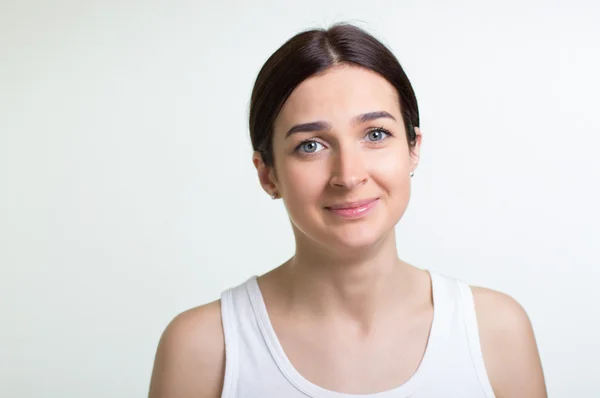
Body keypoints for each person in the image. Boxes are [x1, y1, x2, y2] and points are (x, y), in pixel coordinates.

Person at [148, 23, 547, 398]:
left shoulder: (496, 332)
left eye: (376, 134)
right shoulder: (202, 349)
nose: (349, 175)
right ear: (268, 174)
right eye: (311, 145)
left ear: (413, 149)